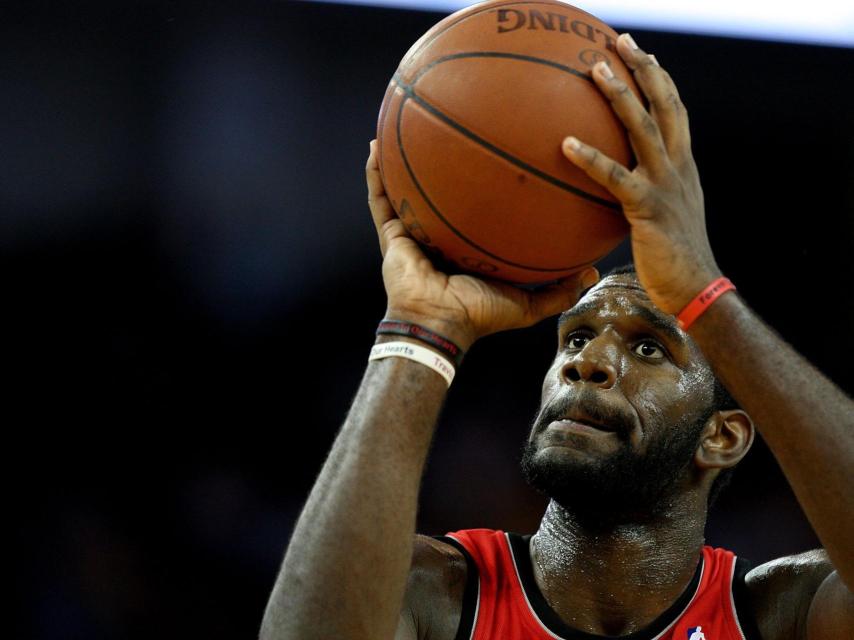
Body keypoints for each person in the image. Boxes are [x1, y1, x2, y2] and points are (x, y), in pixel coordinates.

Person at [260, 33, 853, 640]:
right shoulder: (434, 591)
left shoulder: (781, 614)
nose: (587, 361)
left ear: (723, 436)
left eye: (649, 347)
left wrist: (702, 294)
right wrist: (419, 328)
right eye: (574, 339)